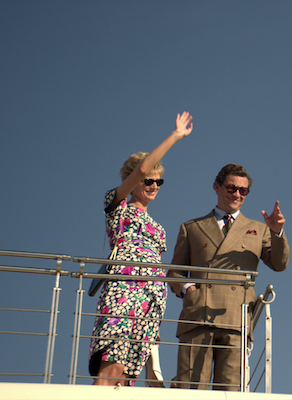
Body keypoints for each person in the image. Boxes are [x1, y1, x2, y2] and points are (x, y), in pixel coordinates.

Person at [89, 111, 194, 386]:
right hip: (124, 291)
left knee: (126, 377)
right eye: (149, 181)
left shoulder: (158, 227)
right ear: (133, 181)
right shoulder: (117, 206)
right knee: (111, 366)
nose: (154, 185)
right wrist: (175, 136)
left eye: (159, 182)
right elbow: (143, 168)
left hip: (151, 297)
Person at [167, 163, 289, 390]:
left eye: (243, 191)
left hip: (237, 319)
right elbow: (175, 272)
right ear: (217, 187)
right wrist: (189, 290)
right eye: (232, 188)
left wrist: (276, 232)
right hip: (198, 316)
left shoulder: (259, 228)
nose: (237, 194)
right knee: (191, 392)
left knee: (231, 393)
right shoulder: (192, 227)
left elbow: (279, 264)